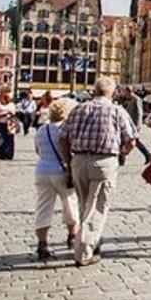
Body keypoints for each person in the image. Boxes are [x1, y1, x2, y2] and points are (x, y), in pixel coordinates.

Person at [59, 76, 137, 266]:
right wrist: (121, 154)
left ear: (94, 91)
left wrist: (69, 162)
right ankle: (84, 251)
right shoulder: (117, 111)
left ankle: (93, 241)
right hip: (103, 161)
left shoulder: (78, 109)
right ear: (112, 92)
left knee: (84, 204)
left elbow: (62, 138)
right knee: (98, 207)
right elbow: (131, 141)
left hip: (78, 160)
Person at [33, 99, 79, 260]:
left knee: (43, 206)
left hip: (42, 171)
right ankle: (72, 236)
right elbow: (71, 150)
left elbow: (38, 151)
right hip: (62, 171)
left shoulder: (41, 130)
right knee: (69, 203)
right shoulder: (66, 130)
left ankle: (42, 242)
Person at [0, 90, 18, 160]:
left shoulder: (11, 105)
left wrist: (7, 113)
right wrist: (5, 113)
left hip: (9, 124)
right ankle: (0, 153)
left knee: (9, 139)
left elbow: (13, 113)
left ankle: (8, 154)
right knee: (0, 139)